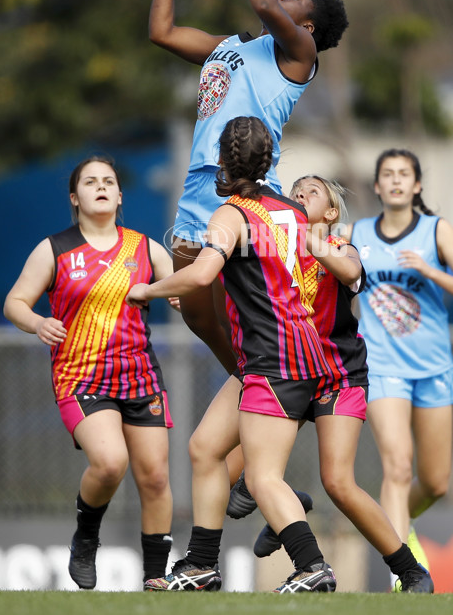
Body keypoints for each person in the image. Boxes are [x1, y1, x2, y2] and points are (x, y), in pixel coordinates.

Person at [126, 116, 336, 594]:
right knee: (205, 449)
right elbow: (265, 272)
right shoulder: (290, 210)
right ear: (270, 160)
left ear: (221, 160)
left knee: (262, 478)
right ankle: (202, 565)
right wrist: (196, 286)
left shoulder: (230, 214)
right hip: (291, 349)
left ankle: (313, 567)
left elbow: (202, 273)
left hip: (275, 357)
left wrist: (151, 289)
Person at [148, 0, 349, 377]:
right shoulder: (230, 46)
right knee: (199, 316)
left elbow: (263, 4)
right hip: (200, 185)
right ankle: (249, 382)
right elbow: (161, 31)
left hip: (249, 190)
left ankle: (282, 379)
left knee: (251, 310)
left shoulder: (299, 55)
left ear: (308, 26)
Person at [238, 175, 434, 594]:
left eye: (310, 192)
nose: (298, 196)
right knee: (234, 471)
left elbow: (349, 271)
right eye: (293, 192)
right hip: (287, 369)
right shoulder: (272, 247)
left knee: (339, 482)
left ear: (329, 213)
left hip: (337, 375)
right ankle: (289, 505)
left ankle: (411, 571)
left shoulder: (340, 245)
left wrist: (304, 236)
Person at [3, 156, 176, 592]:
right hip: (81, 378)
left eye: (109, 182)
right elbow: (15, 303)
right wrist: (37, 322)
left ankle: (156, 579)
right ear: (74, 198)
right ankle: (86, 537)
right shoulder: (55, 249)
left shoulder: (146, 248)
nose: (101, 187)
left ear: (120, 196)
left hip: (140, 377)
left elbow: (180, 288)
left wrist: (179, 296)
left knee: (155, 477)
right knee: (110, 461)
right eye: (90, 182)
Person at [347, 148, 453, 587]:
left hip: (432, 367)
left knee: (435, 481)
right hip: (382, 366)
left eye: (403, 174)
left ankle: (398, 522)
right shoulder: (358, 233)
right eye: (387, 174)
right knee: (398, 467)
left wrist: (432, 271)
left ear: (417, 185)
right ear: (376, 186)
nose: (394, 181)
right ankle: (402, 570)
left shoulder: (435, 231)